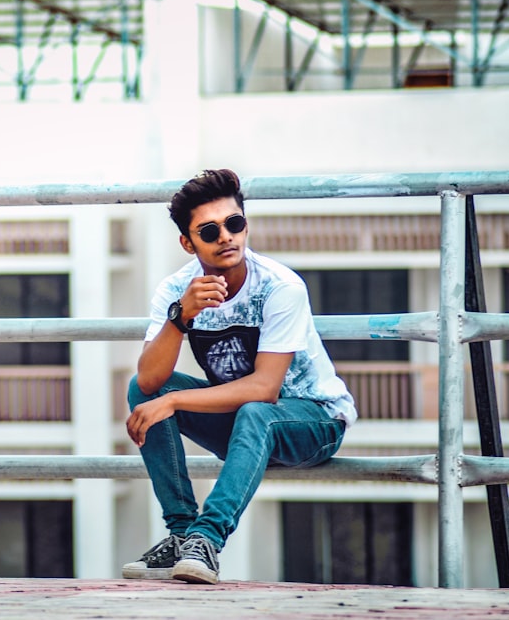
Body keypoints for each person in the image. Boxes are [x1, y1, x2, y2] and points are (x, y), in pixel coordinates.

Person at [122, 169, 357, 584]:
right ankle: (182, 535)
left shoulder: (279, 287)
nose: (226, 237)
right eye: (209, 231)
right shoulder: (175, 290)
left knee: (253, 410)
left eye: (235, 224)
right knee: (142, 390)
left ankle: (207, 540)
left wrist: (175, 401)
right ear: (187, 242)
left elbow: (265, 389)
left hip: (315, 420)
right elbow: (151, 379)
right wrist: (182, 317)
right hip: (244, 425)